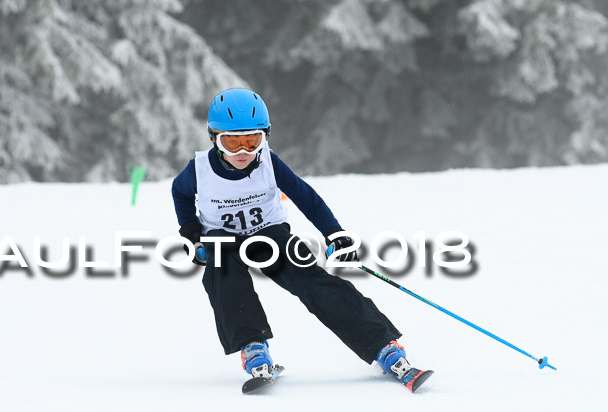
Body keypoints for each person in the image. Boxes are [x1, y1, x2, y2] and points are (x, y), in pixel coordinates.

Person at [172, 88, 423, 388]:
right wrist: (190, 230)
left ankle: (382, 345)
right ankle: (253, 347)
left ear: (265, 137)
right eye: (232, 142)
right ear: (215, 139)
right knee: (223, 277)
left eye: (252, 141)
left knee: (315, 283)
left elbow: (307, 198)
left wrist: (335, 233)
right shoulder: (198, 170)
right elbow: (181, 193)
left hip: (270, 234)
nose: (243, 152)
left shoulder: (269, 162)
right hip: (222, 239)